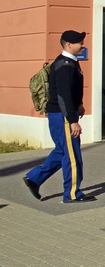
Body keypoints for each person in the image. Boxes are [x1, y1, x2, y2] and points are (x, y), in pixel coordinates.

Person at [23, 30, 97, 203]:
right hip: (62, 116)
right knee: (72, 155)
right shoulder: (65, 65)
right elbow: (63, 95)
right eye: (80, 43)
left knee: (62, 151)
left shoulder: (70, 62)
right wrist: (72, 121)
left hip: (60, 114)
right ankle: (72, 193)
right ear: (69, 45)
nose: (83, 45)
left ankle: (34, 178)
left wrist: (78, 104)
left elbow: (70, 91)